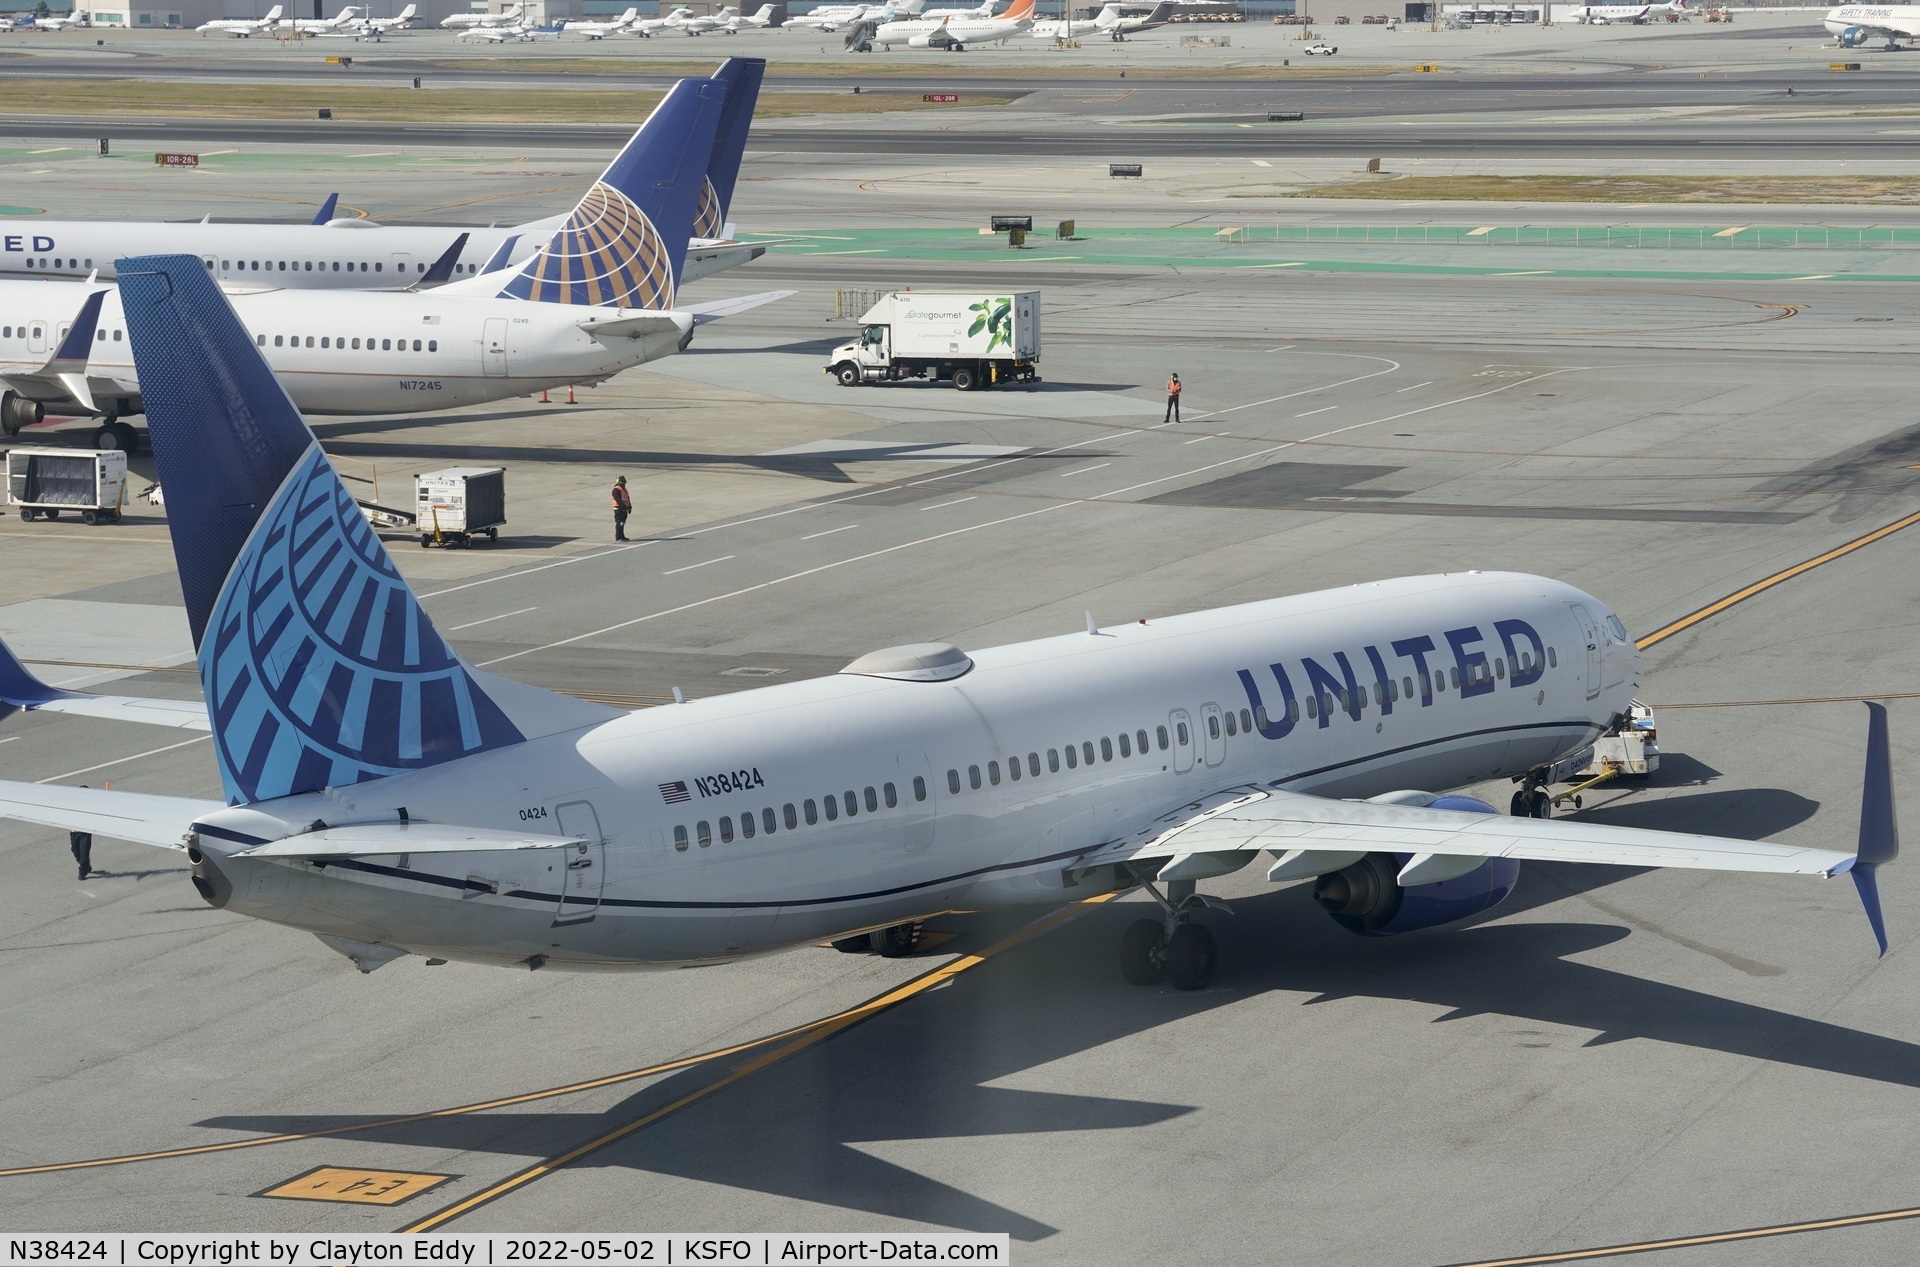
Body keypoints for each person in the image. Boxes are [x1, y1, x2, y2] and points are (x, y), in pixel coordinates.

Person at [611, 475, 632, 542]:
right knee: (619, 522)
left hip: (624, 508)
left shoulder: (624, 489)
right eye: (622, 482)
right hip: (619, 508)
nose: (624, 483)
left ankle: (622, 536)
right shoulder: (616, 489)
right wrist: (623, 507)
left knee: (623, 522)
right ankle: (618, 537)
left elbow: (627, 498)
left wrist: (629, 506)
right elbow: (618, 500)